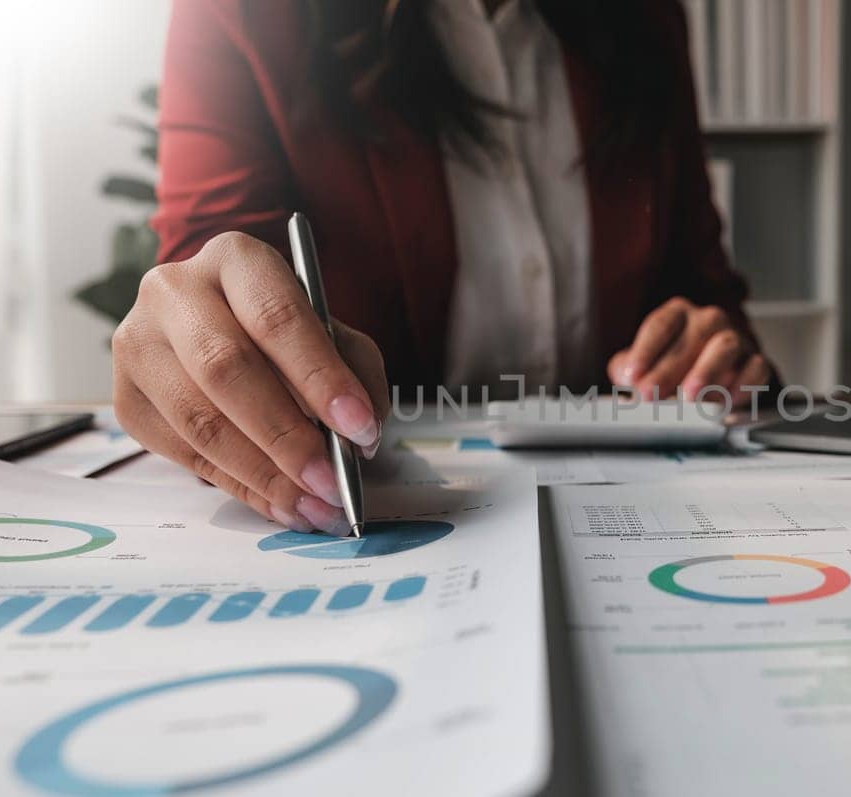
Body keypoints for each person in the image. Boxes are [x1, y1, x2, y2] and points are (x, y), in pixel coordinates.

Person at [112, 0, 774, 534]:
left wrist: (715, 352)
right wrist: (202, 345)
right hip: (409, 500)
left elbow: (706, 294)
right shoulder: (247, 14)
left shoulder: (646, 17)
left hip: (634, 506)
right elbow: (212, 283)